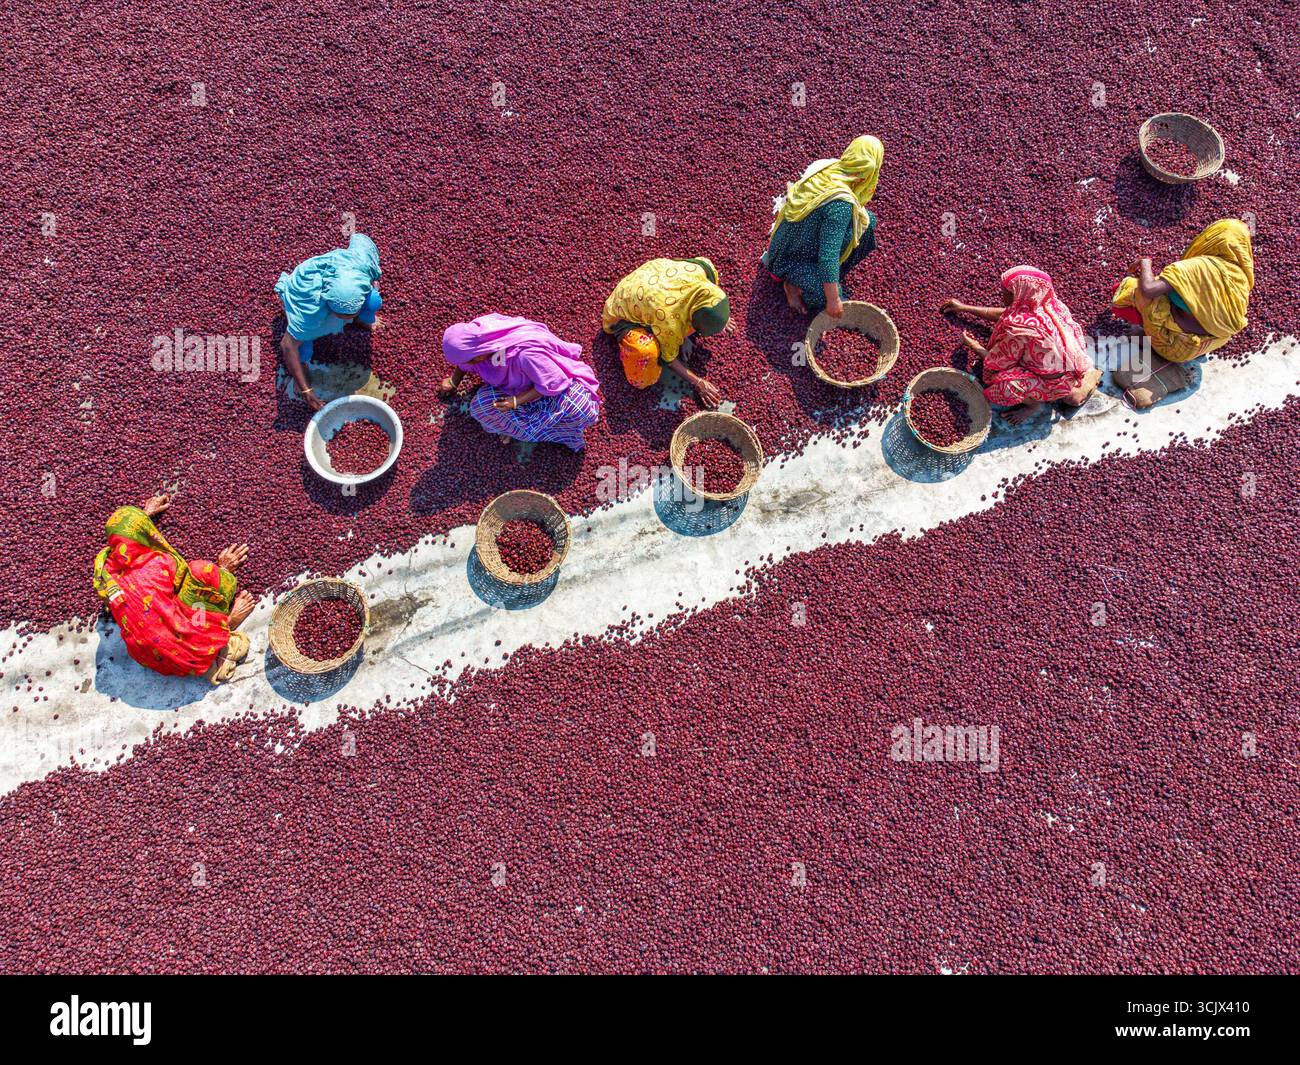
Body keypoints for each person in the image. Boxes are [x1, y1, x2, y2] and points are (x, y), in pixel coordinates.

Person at [92, 494, 255, 684]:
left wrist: (144, 514)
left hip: (149, 658)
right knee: (203, 573)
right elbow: (185, 579)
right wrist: (224, 568)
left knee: (146, 607)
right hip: (195, 648)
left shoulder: (103, 572)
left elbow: (124, 533)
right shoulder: (157, 564)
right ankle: (226, 624)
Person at [1111, 219, 1255, 408]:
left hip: (1174, 348)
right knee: (1173, 297)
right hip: (1211, 342)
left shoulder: (1194, 269)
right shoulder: (1240, 275)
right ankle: (1157, 337)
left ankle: (1150, 338)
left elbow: (1148, 289)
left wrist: (1145, 264)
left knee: (1130, 289)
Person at [942, 266, 1101, 425]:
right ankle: (1074, 382)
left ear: (1019, 293)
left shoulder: (1021, 331)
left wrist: (972, 345)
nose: (1002, 293)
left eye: (1006, 291)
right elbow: (1005, 314)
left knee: (1003, 386)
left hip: (1051, 382)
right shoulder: (1051, 305)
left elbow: (996, 362)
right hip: (1068, 366)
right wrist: (964, 308)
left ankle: (1033, 404)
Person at [437, 315, 602, 451]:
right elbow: (464, 361)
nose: (470, 364)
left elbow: (553, 383)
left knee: (581, 409)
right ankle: (519, 428)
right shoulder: (478, 341)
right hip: (519, 385)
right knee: (481, 406)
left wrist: (516, 401)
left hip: (558, 385)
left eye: (471, 360)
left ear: (477, 352)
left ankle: (549, 433)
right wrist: (453, 382)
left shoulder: (526, 355)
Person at [762, 135, 884, 317]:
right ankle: (792, 284)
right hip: (789, 258)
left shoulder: (829, 167)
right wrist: (833, 300)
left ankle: (829, 278)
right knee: (824, 299)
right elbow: (828, 256)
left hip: (796, 239)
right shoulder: (841, 205)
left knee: (867, 223)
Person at [601, 257, 731, 408]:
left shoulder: (701, 271)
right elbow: (668, 359)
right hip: (621, 311)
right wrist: (699, 383)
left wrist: (719, 314)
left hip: (653, 281)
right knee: (646, 353)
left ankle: (689, 321)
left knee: (701, 302)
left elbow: (707, 274)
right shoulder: (669, 322)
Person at [274, 233, 384, 412]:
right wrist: (306, 390)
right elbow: (287, 345)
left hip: (343, 285)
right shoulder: (309, 312)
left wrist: (365, 293)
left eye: (351, 313)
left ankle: (361, 318)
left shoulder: (360, 263)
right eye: (342, 315)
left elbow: (360, 240)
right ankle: (301, 369)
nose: (346, 317)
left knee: (373, 301)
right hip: (307, 293)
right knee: (303, 346)